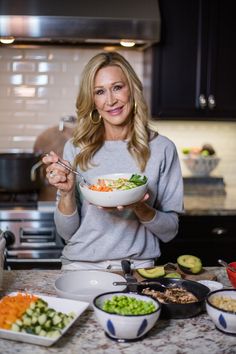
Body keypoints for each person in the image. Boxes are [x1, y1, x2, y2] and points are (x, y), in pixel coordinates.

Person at [42, 51, 184, 271]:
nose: (110, 100)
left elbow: (170, 231)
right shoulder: (76, 148)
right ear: (92, 100)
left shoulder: (162, 149)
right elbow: (66, 233)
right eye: (100, 91)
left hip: (137, 268)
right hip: (80, 265)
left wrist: (140, 206)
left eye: (117, 87)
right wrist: (68, 192)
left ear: (132, 89)